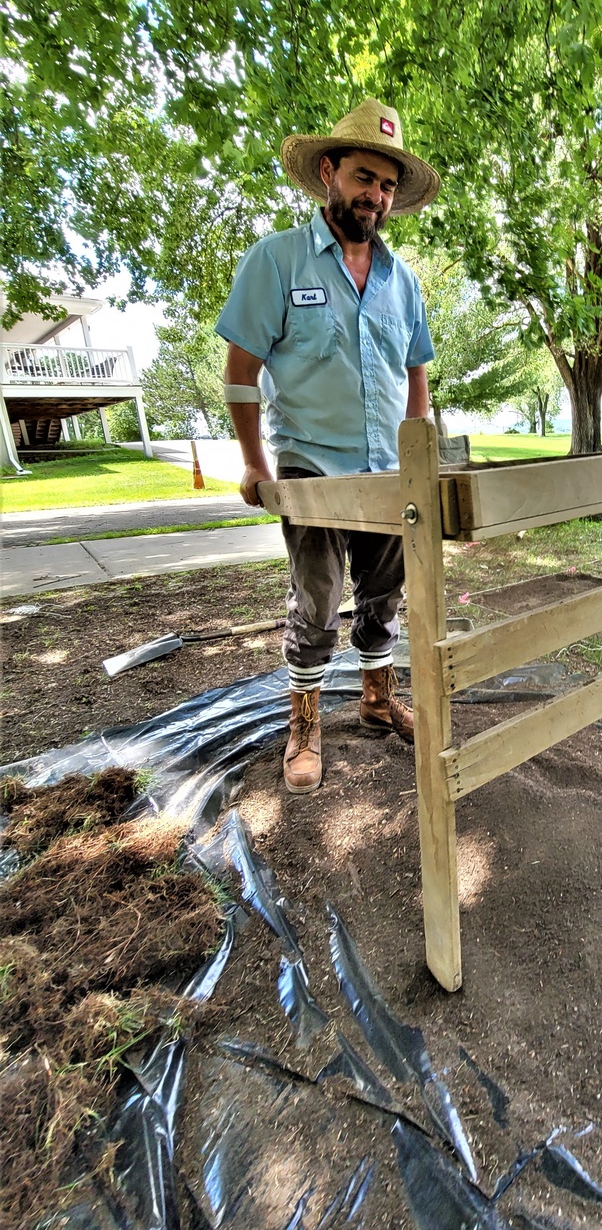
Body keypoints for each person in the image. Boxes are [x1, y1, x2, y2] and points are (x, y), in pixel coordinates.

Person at [216, 98, 441, 794]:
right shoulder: (277, 262)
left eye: (387, 185)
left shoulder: (404, 282)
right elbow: (241, 371)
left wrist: (417, 456)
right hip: (311, 464)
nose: (376, 194)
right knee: (316, 598)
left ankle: (376, 699)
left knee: (386, 592)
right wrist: (254, 462)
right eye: (365, 177)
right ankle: (305, 724)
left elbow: (417, 377)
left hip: (387, 474)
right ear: (328, 171)